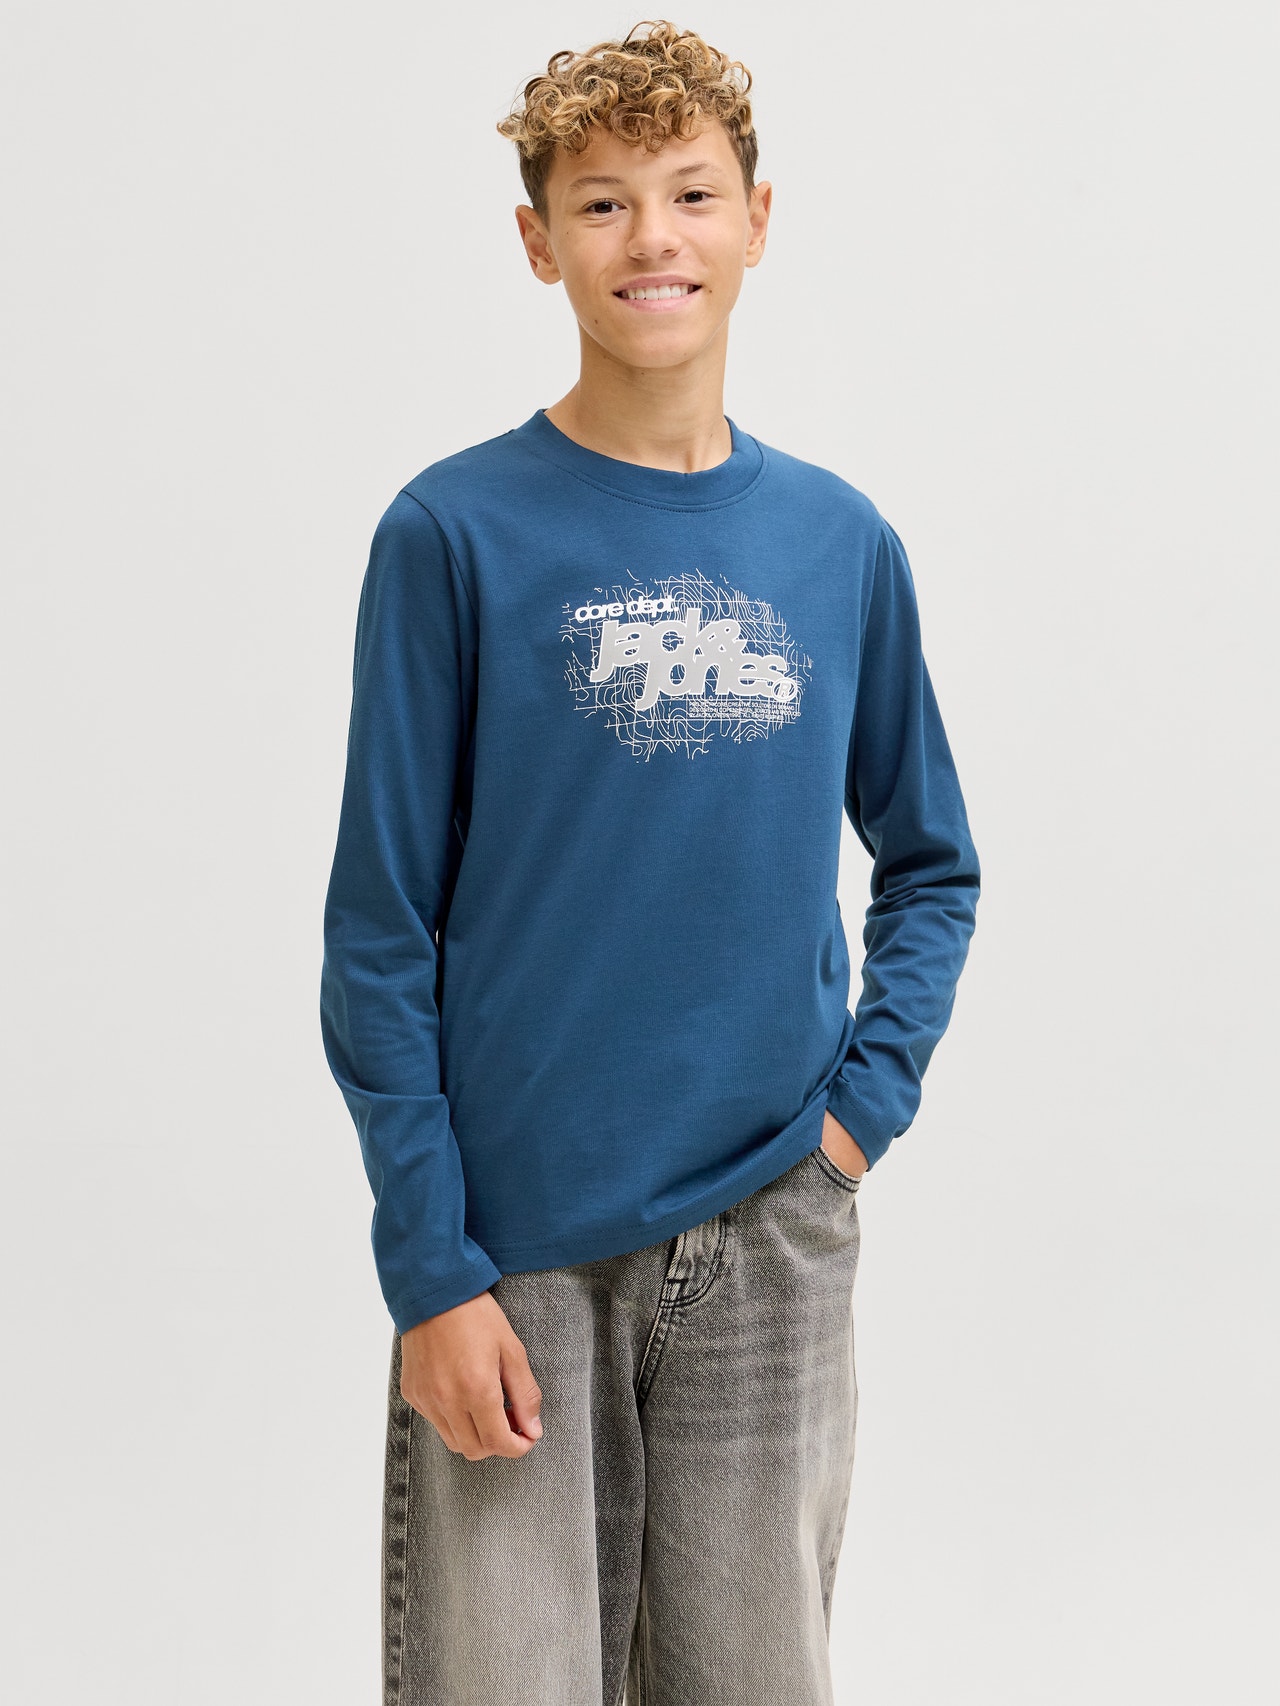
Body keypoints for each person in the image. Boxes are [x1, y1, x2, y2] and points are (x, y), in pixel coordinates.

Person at [319, 19, 981, 1705]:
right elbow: (381, 930)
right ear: (537, 241)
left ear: (760, 220)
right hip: (515, 1249)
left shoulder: (839, 542)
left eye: (691, 194)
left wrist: (852, 1124)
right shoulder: (453, 535)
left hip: (771, 1231)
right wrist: (432, 1267)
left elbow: (932, 861)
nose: (652, 238)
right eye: (601, 203)